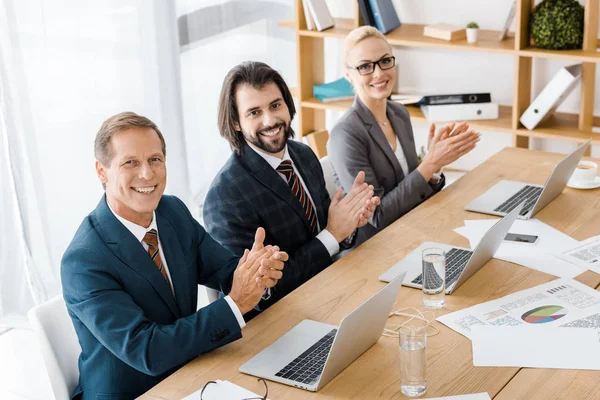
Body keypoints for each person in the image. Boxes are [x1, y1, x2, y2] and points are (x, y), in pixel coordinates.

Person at [61, 112, 288, 400]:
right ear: (102, 171)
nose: (147, 174)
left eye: (155, 159)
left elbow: (225, 270)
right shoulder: (83, 261)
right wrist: (235, 304)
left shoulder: (172, 212)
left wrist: (257, 271)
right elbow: (148, 350)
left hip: (195, 374)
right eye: (130, 162)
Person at [203, 61, 380, 317]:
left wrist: (348, 225)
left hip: (332, 294)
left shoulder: (303, 154)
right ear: (236, 123)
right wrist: (333, 233)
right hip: (280, 321)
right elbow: (260, 295)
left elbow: (326, 234)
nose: (270, 120)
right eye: (254, 112)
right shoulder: (224, 198)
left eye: (275, 105)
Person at [327, 26, 480, 245]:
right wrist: (428, 164)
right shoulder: (346, 133)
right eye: (365, 66)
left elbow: (409, 188)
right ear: (348, 75)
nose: (379, 73)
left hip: (412, 230)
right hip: (373, 249)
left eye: (385, 61)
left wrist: (435, 169)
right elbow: (376, 218)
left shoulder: (399, 113)